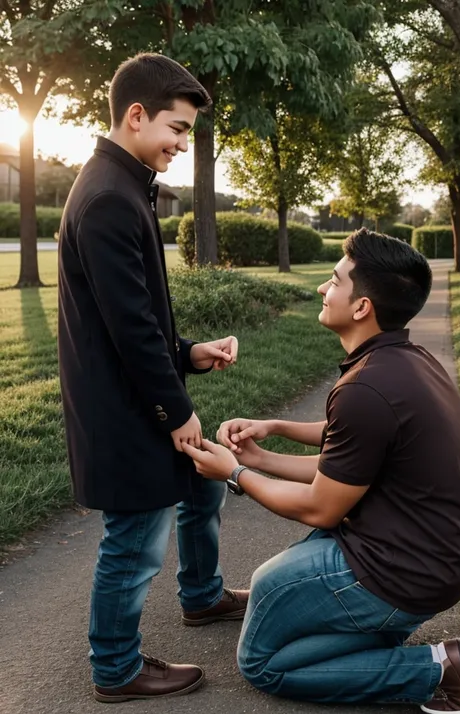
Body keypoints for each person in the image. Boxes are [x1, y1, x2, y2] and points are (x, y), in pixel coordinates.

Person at [183, 228, 460, 713]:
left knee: (262, 661)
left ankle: (439, 671)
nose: (322, 288)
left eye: (335, 280)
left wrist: (234, 473)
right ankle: (367, 634)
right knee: (294, 619)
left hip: (404, 572)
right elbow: (349, 449)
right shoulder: (405, 360)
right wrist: (266, 443)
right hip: (433, 563)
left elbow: (321, 506)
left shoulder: (367, 387)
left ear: (361, 307)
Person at [58, 53, 248, 703]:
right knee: (134, 539)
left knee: (201, 492)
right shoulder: (109, 198)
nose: (180, 143)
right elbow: (130, 331)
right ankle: (115, 668)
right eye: (177, 127)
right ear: (135, 116)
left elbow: (139, 316)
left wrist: (190, 352)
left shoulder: (122, 184)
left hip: (140, 396)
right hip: (126, 410)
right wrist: (176, 410)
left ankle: (201, 595)